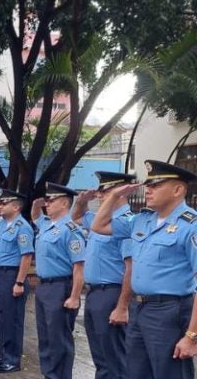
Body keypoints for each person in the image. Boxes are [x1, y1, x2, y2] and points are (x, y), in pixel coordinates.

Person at [91, 160, 197, 378]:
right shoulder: (142, 220)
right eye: (148, 185)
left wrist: (191, 336)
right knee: (136, 372)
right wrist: (112, 196)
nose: (148, 190)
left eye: (156, 185)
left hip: (170, 311)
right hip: (139, 308)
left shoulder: (191, 225)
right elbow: (98, 226)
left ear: (178, 190)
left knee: (169, 372)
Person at [72, 171, 135, 379]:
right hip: (94, 293)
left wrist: (122, 306)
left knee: (114, 356)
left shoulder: (127, 222)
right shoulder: (103, 220)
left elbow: (130, 268)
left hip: (112, 293)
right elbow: (76, 217)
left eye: (105, 191)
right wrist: (81, 201)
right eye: (99, 192)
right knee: (100, 355)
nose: (99, 196)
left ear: (122, 193)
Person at [31, 183, 86, 379]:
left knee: (59, 339)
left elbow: (79, 267)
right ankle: (49, 375)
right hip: (43, 286)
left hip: (60, 287)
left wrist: (74, 297)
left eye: (51, 200)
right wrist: (37, 204)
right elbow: (35, 217)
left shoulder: (70, 229)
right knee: (45, 337)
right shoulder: (46, 225)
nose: (47, 203)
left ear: (64, 203)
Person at [0, 189, 33, 374]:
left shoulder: (22, 226)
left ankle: (13, 360)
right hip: (1, 275)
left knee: (13, 320)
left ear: (16, 206)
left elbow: (26, 256)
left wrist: (19, 282)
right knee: (3, 318)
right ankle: (4, 356)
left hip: (13, 275)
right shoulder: (3, 224)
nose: (1, 205)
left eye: (4, 203)